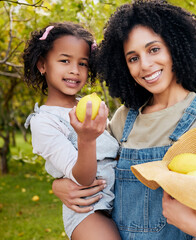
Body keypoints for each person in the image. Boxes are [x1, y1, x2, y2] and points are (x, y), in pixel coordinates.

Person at [52, 1, 196, 239]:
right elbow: (94, 174)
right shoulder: (123, 120)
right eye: (133, 58)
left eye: (154, 49)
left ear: (175, 47)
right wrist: (60, 186)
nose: (146, 65)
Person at [23, 22, 121, 240]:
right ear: (42, 64)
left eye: (83, 63)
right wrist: (86, 139)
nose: (74, 70)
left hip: (120, 201)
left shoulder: (89, 107)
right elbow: (83, 180)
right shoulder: (45, 122)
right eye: (64, 60)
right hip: (88, 209)